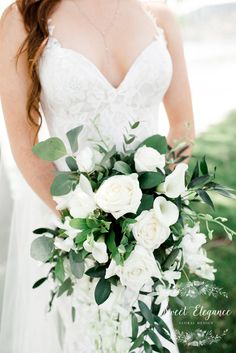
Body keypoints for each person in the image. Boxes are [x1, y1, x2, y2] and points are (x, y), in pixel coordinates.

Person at [0, 0, 195, 352]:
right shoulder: (25, 16)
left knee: (144, 332)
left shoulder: (160, 15)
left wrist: (158, 213)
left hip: (149, 237)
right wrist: (89, 233)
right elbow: (24, 143)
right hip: (73, 234)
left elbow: (182, 125)